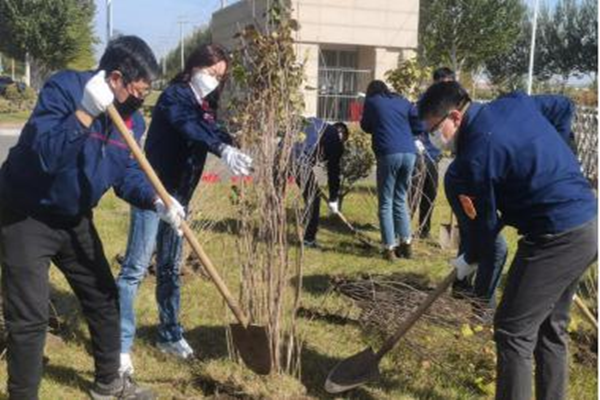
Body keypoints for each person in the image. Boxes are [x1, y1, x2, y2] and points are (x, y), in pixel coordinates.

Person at [0, 35, 181, 399]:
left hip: (74, 217)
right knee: (30, 317)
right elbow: (45, 157)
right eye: (139, 91)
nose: (142, 100)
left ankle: (108, 383)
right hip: (24, 213)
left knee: (103, 296)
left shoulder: (132, 122)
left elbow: (126, 173)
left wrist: (156, 200)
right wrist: (84, 113)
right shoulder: (65, 89)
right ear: (115, 79)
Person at [419, 81, 597, 400]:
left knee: (512, 331)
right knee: (550, 326)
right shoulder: (514, 102)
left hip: (555, 237)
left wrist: (468, 258)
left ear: (455, 117)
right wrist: (563, 160)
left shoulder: (471, 162)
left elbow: (485, 231)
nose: (432, 138)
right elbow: (563, 106)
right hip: (589, 223)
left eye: (434, 129)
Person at [117, 43, 252, 375]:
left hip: (181, 198)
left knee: (169, 268)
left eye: (219, 77)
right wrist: (219, 146)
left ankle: (169, 335)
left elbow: (208, 128)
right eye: (210, 72)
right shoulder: (175, 96)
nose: (213, 80)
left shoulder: (204, 104)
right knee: (135, 269)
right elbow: (187, 126)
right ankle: (119, 346)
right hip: (153, 194)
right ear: (193, 67)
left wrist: (230, 143)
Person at [360, 80, 421, 260]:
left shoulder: (372, 102)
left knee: (386, 201)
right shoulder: (403, 101)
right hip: (409, 153)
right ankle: (406, 244)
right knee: (400, 198)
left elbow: (365, 126)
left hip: (388, 153)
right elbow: (419, 125)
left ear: (371, 92)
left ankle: (389, 248)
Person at [411, 67, 455, 239]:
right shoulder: (425, 101)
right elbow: (417, 124)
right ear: (436, 82)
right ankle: (404, 229)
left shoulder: (449, 103)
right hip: (420, 153)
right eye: (444, 83)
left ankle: (424, 230)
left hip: (434, 154)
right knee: (414, 193)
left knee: (430, 193)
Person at [293, 117, 349, 248]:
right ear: (342, 136)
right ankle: (309, 240)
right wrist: (333, 199)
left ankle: (268, 230)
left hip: (283, 154)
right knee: (314, 199)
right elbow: (333, 171)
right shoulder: (335, 139)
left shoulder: (315, 123)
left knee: (276, 195)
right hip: (300, 161)